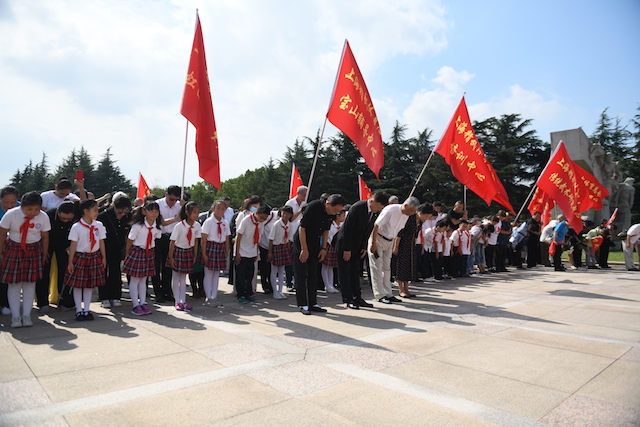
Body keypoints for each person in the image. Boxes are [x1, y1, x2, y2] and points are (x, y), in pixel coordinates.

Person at [0, 191, 51, 327]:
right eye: (29, 209)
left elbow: (45, 236)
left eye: (36, 209)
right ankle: (16, 317)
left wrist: (44, 253)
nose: (33, 213)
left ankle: (26, 316)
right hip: (13, 248)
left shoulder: (43, 217)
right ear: (21, 205)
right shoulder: (11, 214)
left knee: (30, 284)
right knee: (14, 284)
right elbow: (2, 234)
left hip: (33, 249)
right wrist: (0, 253)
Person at [294, 194, 346, 314]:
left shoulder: (330, 214)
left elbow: (326, 230)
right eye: (334, 211)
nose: (334, 214)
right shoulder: (313, 206)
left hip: (316, 243)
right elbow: (302, 228)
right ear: (327, 204)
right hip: (302, 242)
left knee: (313, 274)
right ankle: (302, 304)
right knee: (301, 274)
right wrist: (304, 249)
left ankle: (313, 303)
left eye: (337, 212)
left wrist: (323, 248)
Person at [335, 192, 388, 309]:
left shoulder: (375, 213)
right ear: (372, 201)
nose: (378, 209)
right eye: (378, 206)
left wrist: (364, 247)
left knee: (355, 272)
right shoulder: (357, 208)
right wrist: (347, 249)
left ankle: (357, 298)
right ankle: (348, 299)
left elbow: (368, 230)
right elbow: (348, 230)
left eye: (380, 208)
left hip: (358, 245)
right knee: (345, 272)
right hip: (345, 244)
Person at [368, 197, 419, 304]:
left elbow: (399, 229)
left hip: (390, 240)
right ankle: (379, 295)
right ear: (405, 206)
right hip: (378, 239)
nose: (412, 213)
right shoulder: (390, 210)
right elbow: (376, 225)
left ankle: (388, 294)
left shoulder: (406, 215)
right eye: (411, 210)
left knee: (387, 268)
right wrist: (373, 243)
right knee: (377, 267)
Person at [65, 199, 107, 321]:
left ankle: (87, 310)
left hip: (94, 256)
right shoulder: (76, 226)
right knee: (78, 286)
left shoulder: (98, 225)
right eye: (94, 210)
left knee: (89, 285)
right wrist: (70, 261)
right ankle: (79, 310)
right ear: (86, 211)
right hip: (80, 257)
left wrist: (103, 257)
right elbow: (73, 244)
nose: (97, 212)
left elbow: (101, 242)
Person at [122, 200, 162, 315]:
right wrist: (128, 254)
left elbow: (156, 239)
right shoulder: (138, 226)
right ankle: (135, 304)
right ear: (144, 212)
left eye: (156, 211)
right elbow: (130, 240)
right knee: (135, 279)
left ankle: (143, 302)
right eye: (151, 211)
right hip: (137, 251)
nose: (154, 213)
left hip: (149, 252)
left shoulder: (157, 227)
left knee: (144, 279)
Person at [36, 201, 76, 313]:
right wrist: (44, 250)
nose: (66, 221)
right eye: (63, 218)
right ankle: (42, 303)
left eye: (69, 219)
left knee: (66, 273)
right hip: (47, 246)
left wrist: (72, 245)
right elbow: (42, 234)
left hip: (65, 247)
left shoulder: (77, 216)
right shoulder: (47, 215)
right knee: (44, 274)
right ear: (58, 211)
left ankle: (65, 302)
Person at [98, 194, 132, 308]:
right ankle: (104, 297)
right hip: (104, 248)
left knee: (116, 273)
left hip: (119, 249)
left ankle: (116, 296)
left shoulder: (128, 217)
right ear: (114, 206)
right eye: (119, 212)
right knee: (103, 272)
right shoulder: (103, 216)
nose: (122, 215)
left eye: (124, 212)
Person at [167, 202, 201, 311]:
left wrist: (195, 254)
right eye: (194, 212)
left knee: (183, 278)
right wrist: (171, 257)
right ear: (187, 213)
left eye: (198, 212)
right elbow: (172, 242)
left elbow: (196, 241)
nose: (196, 215)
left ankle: (184, 301)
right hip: (178, 251)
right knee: (176, 277)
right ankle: (177, 301)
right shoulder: (179, 226)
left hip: (188, 251)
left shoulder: (197, 225)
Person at [235, 204, 271, 303]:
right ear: (256, 213)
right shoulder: (246, 220)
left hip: (252, 251)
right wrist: (237, 253)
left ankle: (248, 293)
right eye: (262, 217)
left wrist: (256, 253)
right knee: (240, 275)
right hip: (242, 251)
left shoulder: (261, 223)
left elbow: (258, 238)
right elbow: (238, 236)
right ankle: (240, 295)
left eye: (265, 218)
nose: (263, 220)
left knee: (250, 275)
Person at [153, 186, 183, 303]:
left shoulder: (179, 205)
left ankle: (167, 291)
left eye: (176, 199)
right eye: (171, 199)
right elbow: (159, 222)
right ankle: (158, 292)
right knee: (156, 266)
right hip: (157, 237)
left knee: (168, 266)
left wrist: (183, 205)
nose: (173, 202)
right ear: (166, 195)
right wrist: (175, 219)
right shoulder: (157, 204)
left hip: (171, 238)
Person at [200, 199, 230, 307]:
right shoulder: (208, 222)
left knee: (216, 274)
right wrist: (204, 254)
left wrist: (226, 251)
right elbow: (203, 238)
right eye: (218, 208)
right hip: (211, 247)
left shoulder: (225, 223)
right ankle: (208, 297)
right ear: (213, 208)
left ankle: (214, 296)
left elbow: (227, 238)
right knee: (208, 273)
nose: (220, 211)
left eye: (223, 209)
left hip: (220, 248)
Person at [0, 186, 20, 316]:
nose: (9, 205)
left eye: (13, 202)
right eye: (6, 202)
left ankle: (6, 303)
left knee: (8, 278)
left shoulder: (21, 209)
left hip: (13, 248)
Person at [268, 206, 294, 300]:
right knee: (274, 270)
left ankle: (280, 291)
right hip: (276, 247)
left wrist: (287, 250)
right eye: (284, 213)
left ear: (291, 215)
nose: (285, 215)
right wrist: (270, 252)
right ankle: (275, 291)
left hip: (284, 247)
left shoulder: (290, 225)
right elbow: (271, 239)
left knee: (282, 270)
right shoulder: (276, 224)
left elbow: (289, 239)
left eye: (287, 214)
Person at [320, 207, 346, 294]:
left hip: (335, 247)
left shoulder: (341, 225)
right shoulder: (331, 225)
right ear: (338, 216)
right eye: (343, 216)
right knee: (325, 266)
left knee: (331, 267)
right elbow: (326, 235)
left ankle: (331, 285)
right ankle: (326, 285)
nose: (344, 217)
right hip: (328, 246)